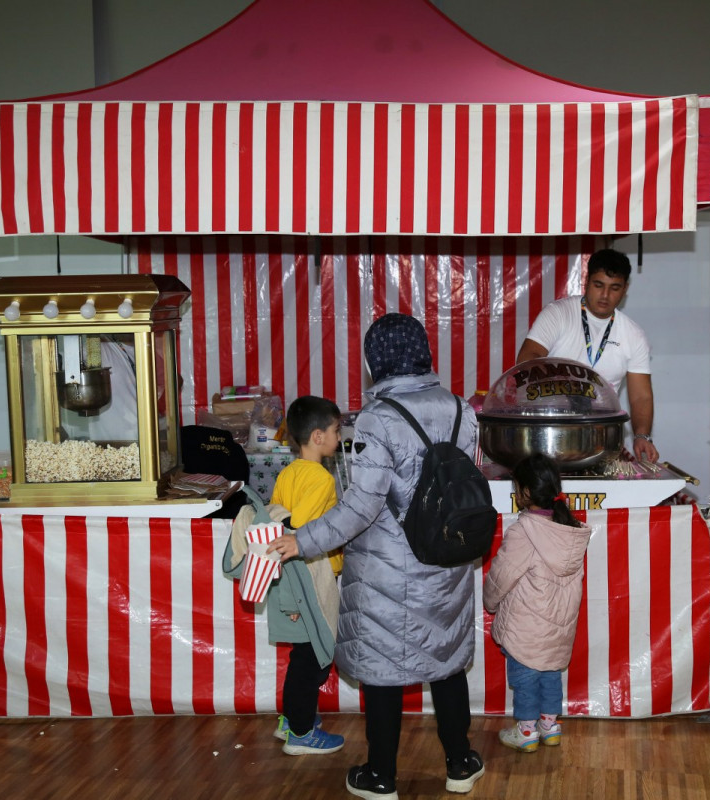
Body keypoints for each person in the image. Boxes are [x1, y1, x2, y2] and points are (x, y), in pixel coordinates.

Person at [267, 313, 485, 798]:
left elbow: (361, 507)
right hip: (447, 558)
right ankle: (460, 763)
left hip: (388, 568)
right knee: (446, 659)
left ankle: (381, 775)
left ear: (376, 360)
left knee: (385, 669)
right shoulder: (461, 409)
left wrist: (303, 540)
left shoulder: (376, 419)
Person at [223, 395, 345, 757]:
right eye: (337, 430)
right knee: (314, 658)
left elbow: (277, 520)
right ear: (319, 436)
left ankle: (292, 720)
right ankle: (301, 732)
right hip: (310, 577)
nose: (340, 437)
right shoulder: (321, 479)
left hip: (287, 576)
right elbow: (299, 532)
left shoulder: (289, 472)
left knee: (302, 655)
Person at [483, 453, 591, 753]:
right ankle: (549, 726)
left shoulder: (524, 532)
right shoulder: (570, 530)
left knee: (525, 678)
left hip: (526, 624)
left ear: (527, 492)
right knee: (551, 675)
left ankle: (527, 731)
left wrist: (489, 601)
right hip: (559, 626)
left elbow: (502, 575)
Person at [516, 248, 658, 462]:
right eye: (598, 285)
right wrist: (566, 386)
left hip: (599, 437)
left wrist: (642, 436)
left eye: (614, 288)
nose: (605, 295)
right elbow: (527, 359)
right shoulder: (558, 313)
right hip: (548, 428)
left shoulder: (634, 334)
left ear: (625, 289)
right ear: (586, 281)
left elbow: (641, 396)